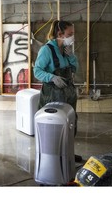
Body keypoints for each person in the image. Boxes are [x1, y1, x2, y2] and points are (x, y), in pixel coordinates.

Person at [33, 19, 82, 162]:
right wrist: (52, 77)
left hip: (68, 95)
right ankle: (55, 157)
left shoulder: (65, 50)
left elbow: (75, 69)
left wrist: (72, 57)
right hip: (52, 96)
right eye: (70, 33)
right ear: (60, 33)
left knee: (70, 123)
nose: (73, 36)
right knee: (56, 126)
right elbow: (37, 71)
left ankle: (68, 153)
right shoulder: (46, 50)